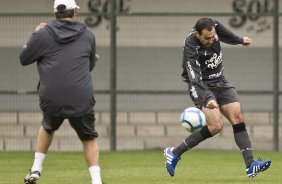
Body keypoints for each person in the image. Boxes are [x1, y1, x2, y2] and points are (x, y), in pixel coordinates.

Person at [164, 17, 271, 178]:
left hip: (220, 81)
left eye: (212, 36)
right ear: (197, 35)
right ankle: (175, 153)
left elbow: (224, 33)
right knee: (216, 126)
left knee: (237, 115)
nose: (210, 40)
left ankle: (250, 165)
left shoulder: (212, 27)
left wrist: (239, 40)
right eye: (206, 38)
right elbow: (194, 77)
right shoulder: (190, 45)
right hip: (201, 86)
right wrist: (207, 98)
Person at [19, 0, 103, 184]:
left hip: (51, 97)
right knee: (88, 138)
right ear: (74, 12)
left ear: (55, 13)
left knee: (48, 127)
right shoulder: (88, 35)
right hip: (81, 96)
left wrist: (36, 33)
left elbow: (24, 58)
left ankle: (35, 170)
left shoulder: (43, 34)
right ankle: (96, 181)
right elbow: (90, 65)